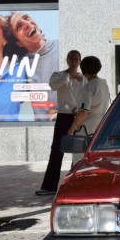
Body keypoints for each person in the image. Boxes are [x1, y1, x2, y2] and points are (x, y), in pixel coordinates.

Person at [36, 50, 86, 195]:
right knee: (57, 151)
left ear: (80, 61)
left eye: (76, 59)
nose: (73, 61)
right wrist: (69, 75)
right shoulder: (58, 75)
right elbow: (53, 85)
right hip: (64, 116)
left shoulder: (84, 78)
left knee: (79, 152)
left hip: (79, 116)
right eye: (71, 59)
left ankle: (74, 184)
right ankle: (49, 186)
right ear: (67, 60)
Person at [67, 56, 110, 138]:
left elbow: (84, 112)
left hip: (87, 130)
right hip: (100, 127)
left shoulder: (88, 87)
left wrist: (71, 129)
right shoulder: (104, 83)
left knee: (83, 151)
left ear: (83, 70)